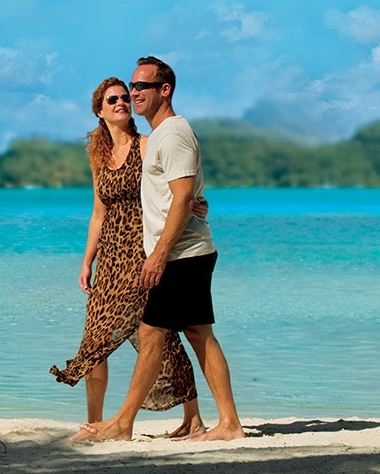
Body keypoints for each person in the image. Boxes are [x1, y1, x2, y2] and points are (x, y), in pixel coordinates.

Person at [78, 56, 244, 442]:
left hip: (176, 254)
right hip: (175, 252)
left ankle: (123, 424)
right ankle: (226, 423)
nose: (131, 96)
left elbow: (184, 196)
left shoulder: (166, 135)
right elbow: (175, 193)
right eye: (127, 90)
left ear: (163, 90)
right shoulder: (160, 136)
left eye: (139, 88)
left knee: (154, 335)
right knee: (196, 334)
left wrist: (158, 252)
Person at [51, 77, 206, 440]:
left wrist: (198, 203)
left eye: (125, 97)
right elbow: (98, 214)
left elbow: (180, 183)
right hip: (110, 259)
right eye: (113, 99)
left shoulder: (147, 144)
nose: (122, 102)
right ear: (100, 110)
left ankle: (193, 418)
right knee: (95, 340)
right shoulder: (99, 157)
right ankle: (96, 419)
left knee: (163, 338)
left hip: (143, 253)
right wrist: (87, 261)